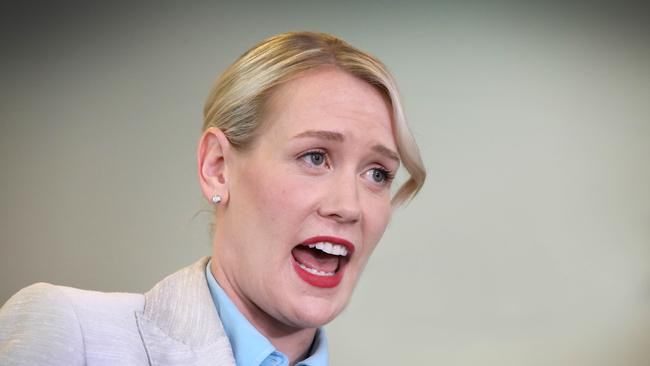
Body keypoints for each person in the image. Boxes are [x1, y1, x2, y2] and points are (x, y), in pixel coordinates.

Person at [0, 31, 425, 366]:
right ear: (217, 167)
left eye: (377, 174)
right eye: (315, 157)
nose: (348, 206)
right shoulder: (72, 332)